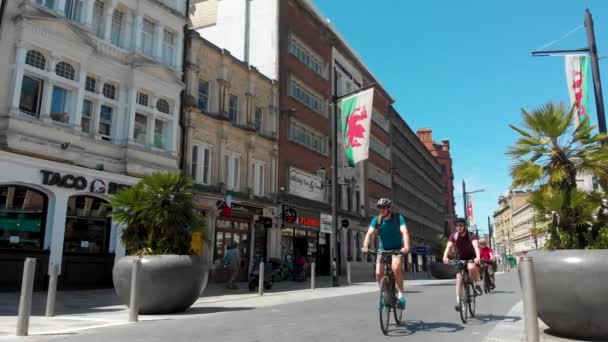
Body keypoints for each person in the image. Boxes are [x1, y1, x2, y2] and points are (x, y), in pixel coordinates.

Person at [361, 198, 410, 309]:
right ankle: (383, 297)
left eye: (383, 207)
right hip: (383, 250)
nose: (381, 210)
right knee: (378, 273)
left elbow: (405, 232)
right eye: (379, 208)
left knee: (396, 267)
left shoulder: (398, 218)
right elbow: (369, 233)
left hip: (396, 249)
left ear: (388, 208)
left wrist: (406, 246)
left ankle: (401, 296)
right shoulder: (377, 220)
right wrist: (365, 246)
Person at [442, 218, 482, 311]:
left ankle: (476, 284)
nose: (459, 227)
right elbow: (448, 247)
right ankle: (459, 302)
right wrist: (445, 257)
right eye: (457, 226)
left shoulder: (471, 235)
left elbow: (476, 247)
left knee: (471, 267)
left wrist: (477, 257)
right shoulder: (454, 236)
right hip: (459, 259)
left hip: (471, 257)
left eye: (461, 225)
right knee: (459, 278)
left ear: (465, 226)